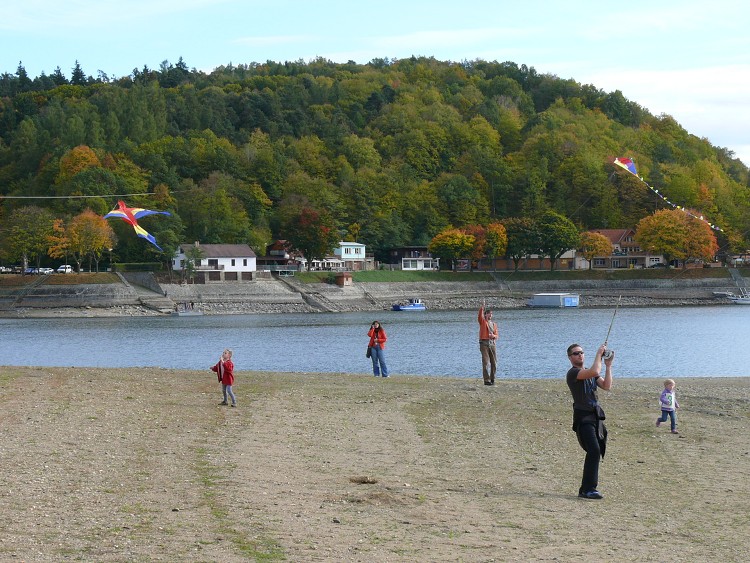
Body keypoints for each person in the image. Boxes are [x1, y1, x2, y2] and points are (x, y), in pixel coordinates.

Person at [566, 343, 614, 500]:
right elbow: (594, 370)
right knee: (593, 450)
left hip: (595, 417)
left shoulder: (591, 373)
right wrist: (599, 354)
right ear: (570, 357)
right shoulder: (573, 373)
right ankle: (588, 489)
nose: (579, 355)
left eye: (581, 352)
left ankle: (586, 489)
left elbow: (607, 386)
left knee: (596, 450)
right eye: (575, 353)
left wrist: (608, 366)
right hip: (583, 418)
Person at [478, 302, 498, 385]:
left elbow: (497, 335)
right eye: (489, 314)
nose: (491, 315)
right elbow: (479, 316)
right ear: (485, 315)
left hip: (492, 344)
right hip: (484, 344)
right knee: (486, 362)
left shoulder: (494, 324)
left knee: (494, 362)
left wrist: (493, 335)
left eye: (491, 314)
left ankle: (492, 379)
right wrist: (482, 307)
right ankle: (486, 380)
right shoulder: (482, 322)